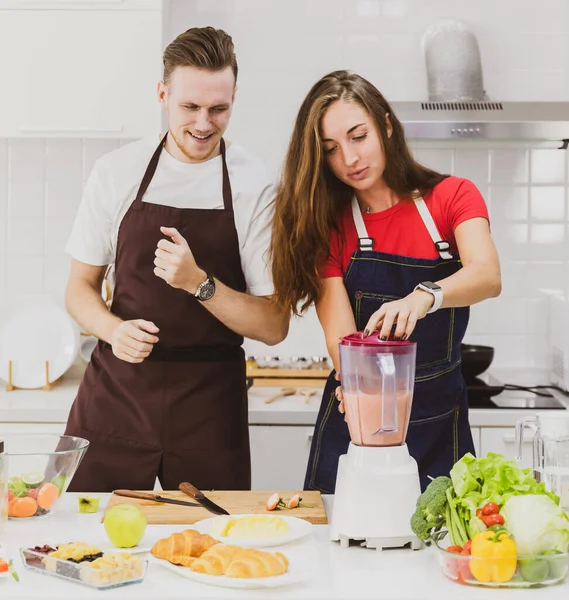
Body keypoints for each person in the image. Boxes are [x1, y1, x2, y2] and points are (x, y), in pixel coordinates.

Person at [64, 27, 289, 492]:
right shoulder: (116, 172)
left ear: (234, 97)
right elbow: (78, 288)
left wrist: (198, 283)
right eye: (190, 107)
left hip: (209, 407)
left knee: (212, 551)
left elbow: (273, 325)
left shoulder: (255, 184)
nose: (204, 123)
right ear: (163, 93)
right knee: (83, 541)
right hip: (117, 397)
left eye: (219, 109)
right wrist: (113, 330)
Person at [270, 70, 501, 492]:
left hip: (438, 422)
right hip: (359, 421)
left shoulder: (452, 197)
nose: (349, 159)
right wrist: (360, 390)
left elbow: (487, 275)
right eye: (331, 149)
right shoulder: (329, 226)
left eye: (359, 136)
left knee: (442, 547)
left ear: (386, 126)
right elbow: (340, 336)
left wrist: (424, 296)